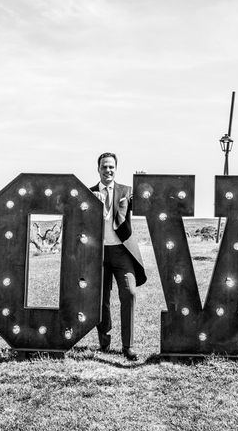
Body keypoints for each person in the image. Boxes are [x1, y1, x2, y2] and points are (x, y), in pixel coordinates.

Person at [91, 152, 146, 361]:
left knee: (129, 293)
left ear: (116, 169)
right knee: (101, 300)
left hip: (122, 252)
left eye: (111, 167)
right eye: (104, 167)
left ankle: (128, 346)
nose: (108, 170)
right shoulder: (89, 192)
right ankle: (104, 343)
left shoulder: (126, 191)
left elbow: (142, 203)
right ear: (98, 169)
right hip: (99, 253)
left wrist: (143, 185)